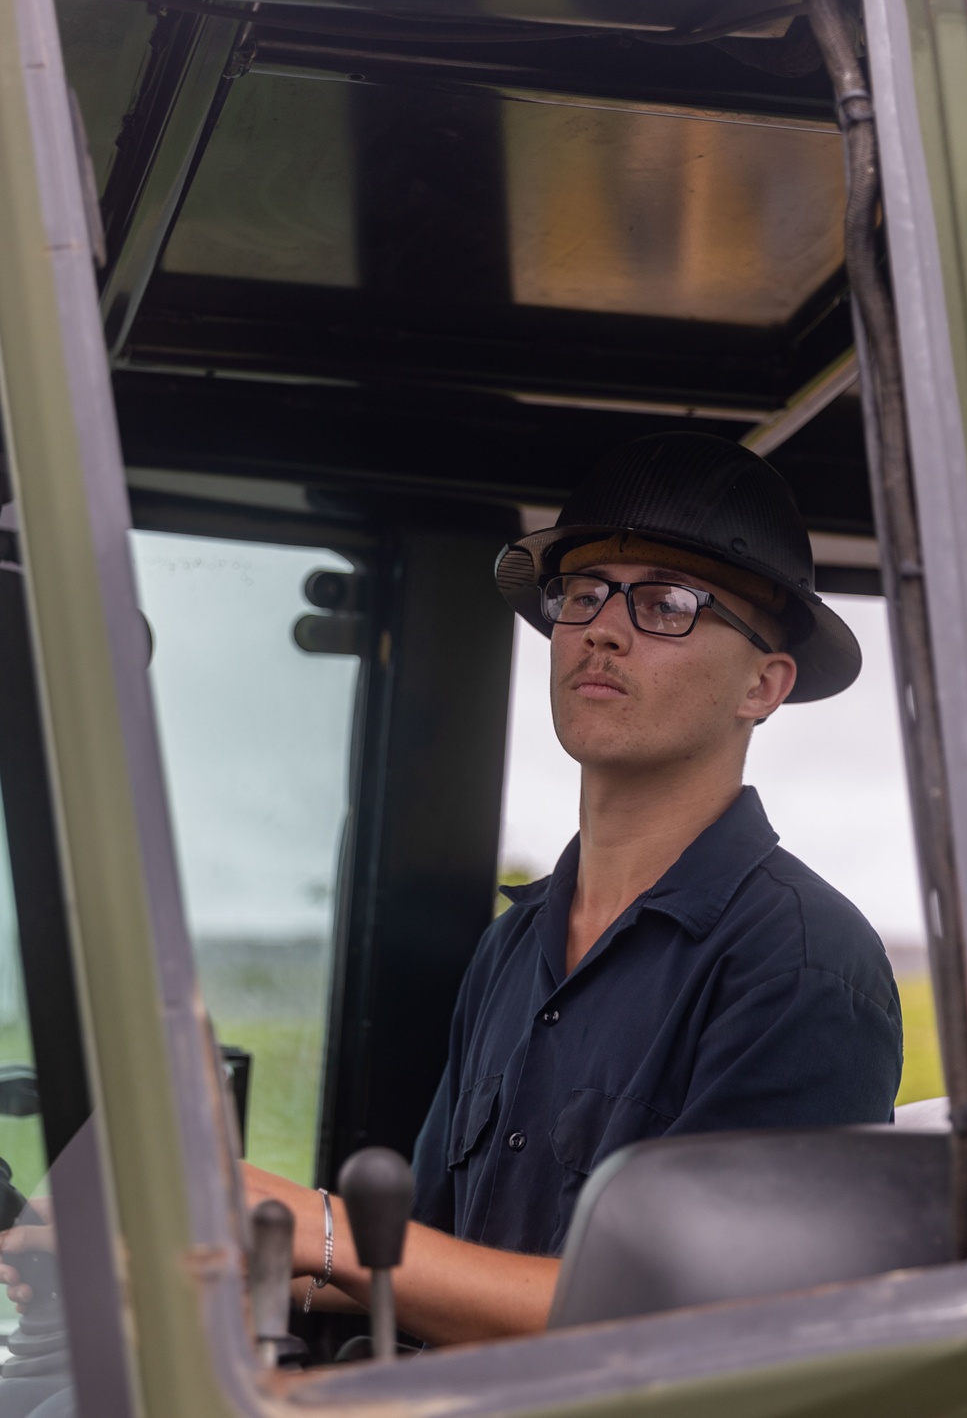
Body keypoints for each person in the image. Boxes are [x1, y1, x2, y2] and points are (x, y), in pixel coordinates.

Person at [1, 432, 903, 1351]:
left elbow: (710, 1329)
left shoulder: (801, 965)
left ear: (765, 683)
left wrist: (309, 1224)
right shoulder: (515, 946)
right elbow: (430, 1264)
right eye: (584, 592)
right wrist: (193, 1258)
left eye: (667, 603)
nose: (602, 627)